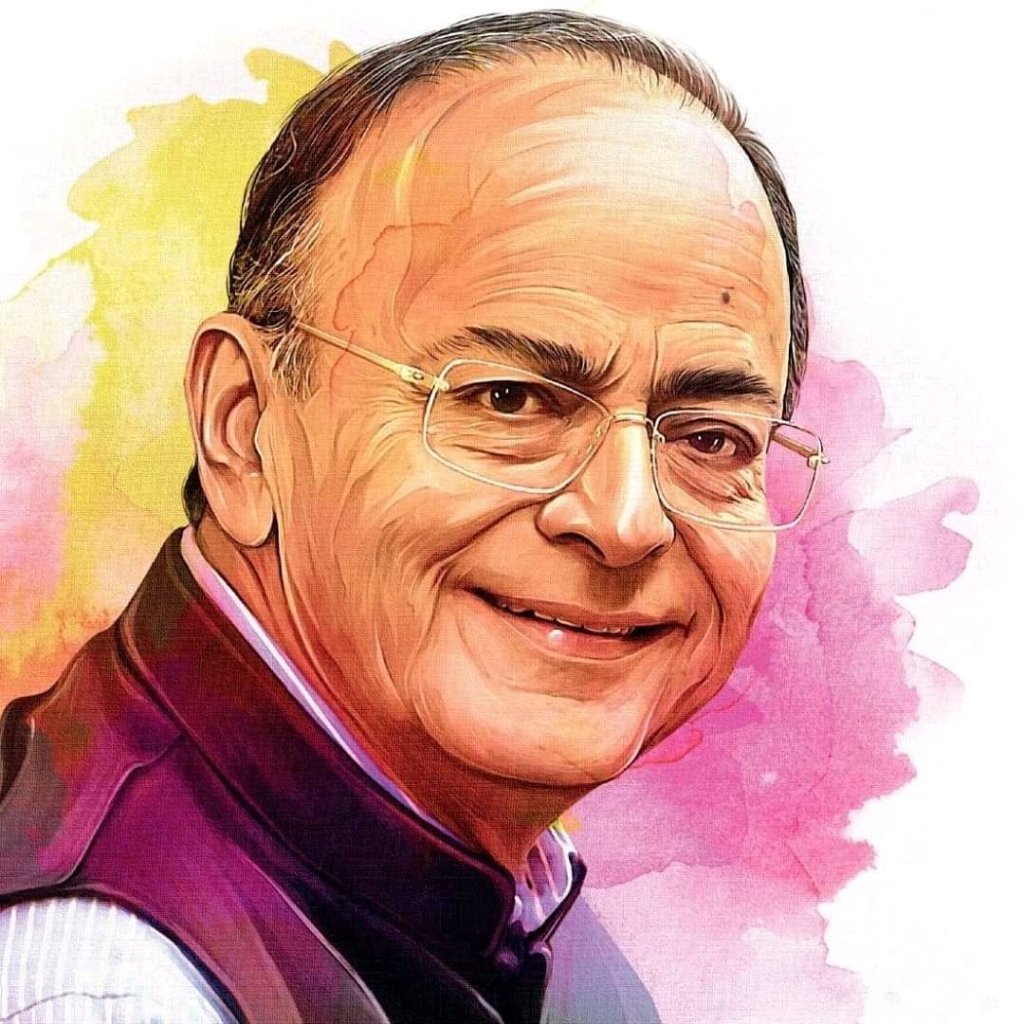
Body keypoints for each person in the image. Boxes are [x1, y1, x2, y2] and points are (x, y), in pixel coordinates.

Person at [0, 10, 826, 1023]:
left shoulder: (495, 882)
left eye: (710, 437)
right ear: (243, 426)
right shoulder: (106, 986)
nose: (624, 520)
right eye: (508, 400)